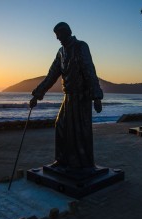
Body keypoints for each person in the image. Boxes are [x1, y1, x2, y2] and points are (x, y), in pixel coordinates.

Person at [30, 22, 103, 170]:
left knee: (80, 132)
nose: (58, 39)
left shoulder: (81, 46)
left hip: (82, 97)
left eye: (60, 35)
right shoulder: (60, 52)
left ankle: (83, 164)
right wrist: (37, 95)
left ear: (67, 32)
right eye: (56, 36)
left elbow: (89, 71)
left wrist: (96, 97)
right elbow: (51, 75)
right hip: (68, 97)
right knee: (61, 125)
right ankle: (62, 160)